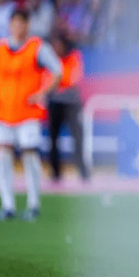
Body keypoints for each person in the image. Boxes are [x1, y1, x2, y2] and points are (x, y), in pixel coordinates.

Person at [0, 9, 63, 221]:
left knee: (30, 158)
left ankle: (33, 204)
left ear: (27, 26)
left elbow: (57, 70)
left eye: (21, 24)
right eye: (14, 23)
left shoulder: (37, 47)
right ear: (10, 25)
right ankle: (8, 205)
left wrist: (43, 92)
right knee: (3, 158)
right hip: (3, 113)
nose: (17, 28)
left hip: (28, 113)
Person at [47, 35, 88, 182]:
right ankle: (55, 172)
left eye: (58, 45)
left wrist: (57, 82)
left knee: (78, 138)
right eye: (54, 45)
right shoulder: (49, 59)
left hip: (72, 104)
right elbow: (45, 79)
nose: (56, 49)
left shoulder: (74, 57)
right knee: (53, 139)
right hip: (54, 103)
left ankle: (83, 172)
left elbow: (72, 78)